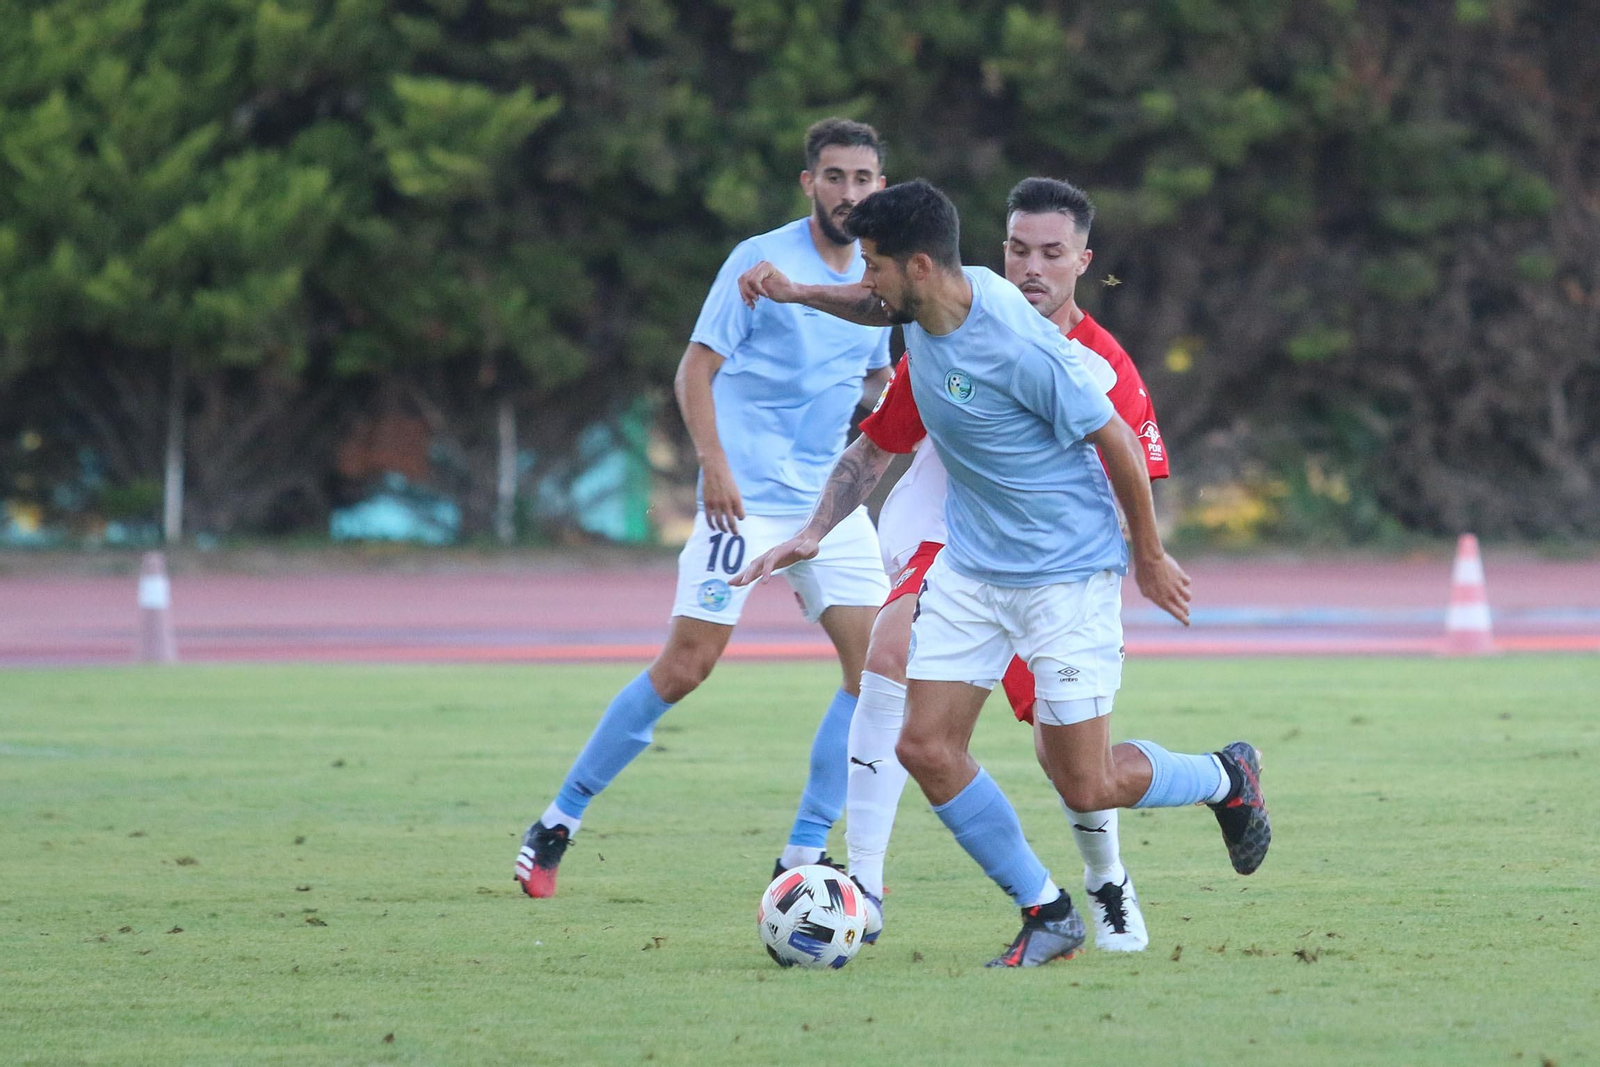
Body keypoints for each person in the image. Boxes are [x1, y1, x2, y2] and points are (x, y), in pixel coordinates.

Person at [732, 179, 1269, 968]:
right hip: (974, 570)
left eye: (874, 267)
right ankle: (1047, 909)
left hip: (1066, 580)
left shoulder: (1020, 348)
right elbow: (875, 355)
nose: (868, 284)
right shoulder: (929, 306)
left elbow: (1119, 440)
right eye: (1021, 247)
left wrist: (1149, 557)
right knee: (925, 744)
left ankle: (1225, 776)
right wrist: (813, 529)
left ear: (917, 267)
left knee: (1084, 782)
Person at [513, 119, 895, 899]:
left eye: (862, 178)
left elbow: (882, 378)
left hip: (827, 504)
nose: (848, 193)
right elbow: (695, 369)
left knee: (879, 673)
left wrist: (873, 453)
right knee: (688, 666)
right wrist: (714, 465)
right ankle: (559, 818)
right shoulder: (758, 260)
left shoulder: (882, 277)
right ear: (809, 183)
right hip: (742, 499)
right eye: (834, 176)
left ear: (880, 187)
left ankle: (803, 851)